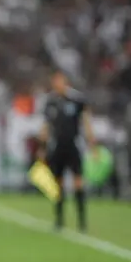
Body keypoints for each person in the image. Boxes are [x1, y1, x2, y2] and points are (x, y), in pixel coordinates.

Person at [38, 69, 97, 232]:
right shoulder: (50, 101)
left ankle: (82, 221)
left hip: (74, 145)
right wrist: (42, 147)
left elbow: (86, 122)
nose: (57, 84)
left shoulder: (77, 100)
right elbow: (46, 126)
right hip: (57, 146)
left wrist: (92, 144)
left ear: (66, 82)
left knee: (78, 181)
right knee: (58, 183)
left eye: (60, 80)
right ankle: (59, 220)